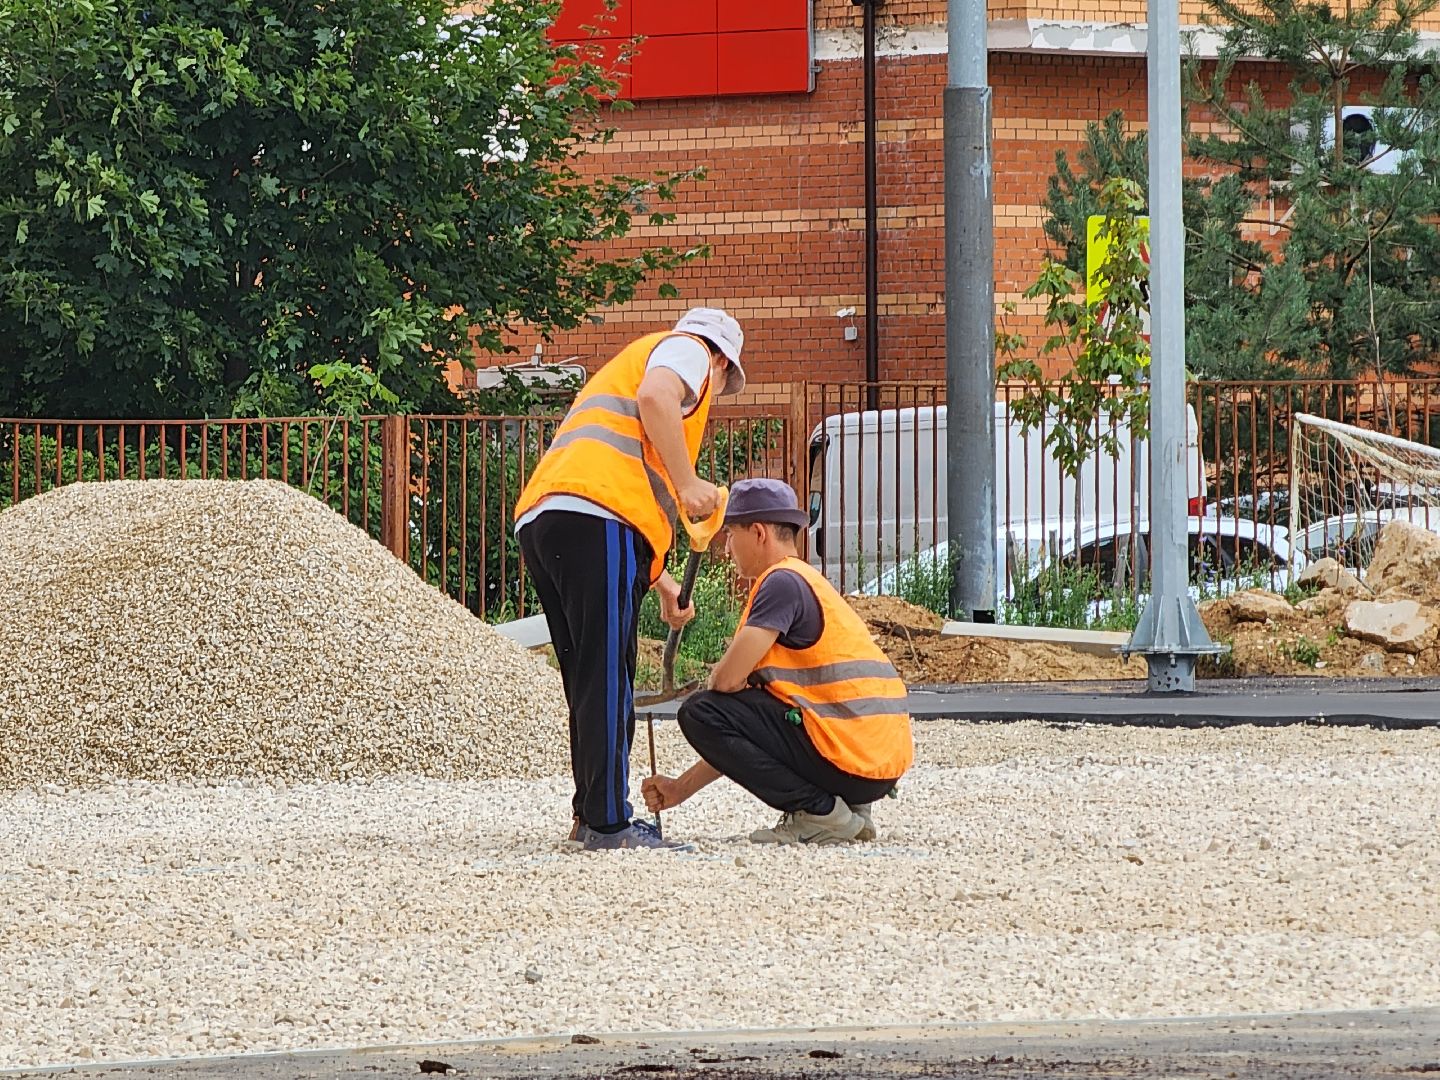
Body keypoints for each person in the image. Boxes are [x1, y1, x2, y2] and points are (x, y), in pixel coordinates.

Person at [515, 308, 746, 851]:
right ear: (719, 359)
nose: (713, 387)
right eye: (723, 376)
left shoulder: (626, 366)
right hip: (599, 516)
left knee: (590, 677)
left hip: (549, 518)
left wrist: (662, 584)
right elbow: (655, 400)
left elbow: (635, 472)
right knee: (607, 675)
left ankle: (590, 814)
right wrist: (690, 482)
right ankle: (609, 824)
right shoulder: (687, 349)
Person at [641, 478, 913, 845]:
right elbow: (755, 734)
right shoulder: (808, 580)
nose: (726, 546)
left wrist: (726, 678)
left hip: (850, 759)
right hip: (871, 764)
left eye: (731, 534)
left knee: (700, 712)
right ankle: (848, 811)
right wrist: (679, 790)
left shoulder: (780, 583)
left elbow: (723, 686)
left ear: (758, 533)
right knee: (726, 710)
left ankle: (822, 815)